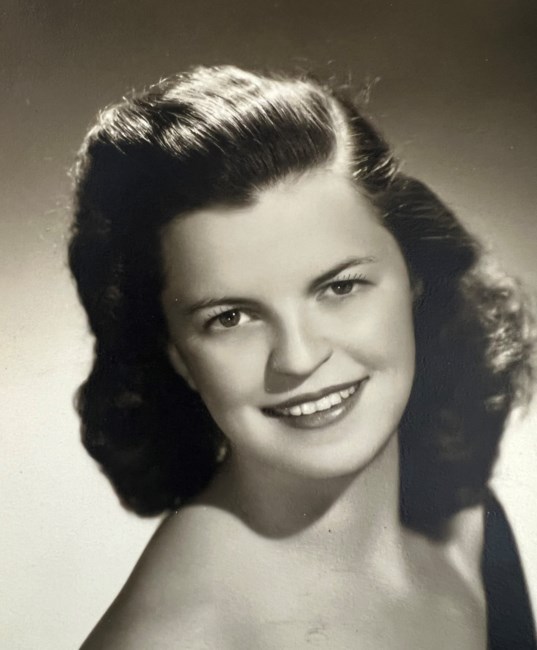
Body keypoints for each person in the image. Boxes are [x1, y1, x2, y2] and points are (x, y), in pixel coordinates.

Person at [69, 65, 535, 649]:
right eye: (230, 317)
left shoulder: (469, 521)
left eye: (339, 287)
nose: (298, 357)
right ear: (175, 353)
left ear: (416, 278)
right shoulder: (172, 637)